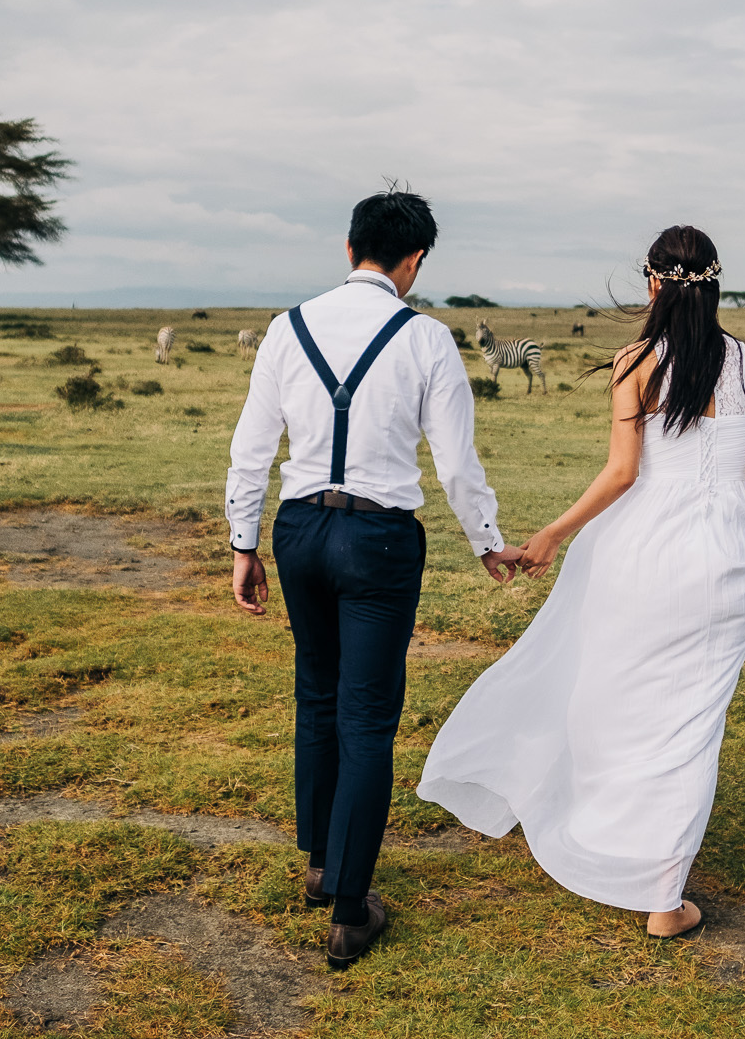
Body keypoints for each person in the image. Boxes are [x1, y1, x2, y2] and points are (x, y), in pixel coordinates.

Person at [417, 224, 745, 939]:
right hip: (724, 562)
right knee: (693, 722)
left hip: (641, 555)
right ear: (716, 284)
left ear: (653, 283)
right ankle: (663, 897)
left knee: (615, 697)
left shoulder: (635, 363)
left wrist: (552, 535)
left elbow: (623, 473)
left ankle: (606, 840)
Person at [225, 188, 525, 969]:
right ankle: (352, 909)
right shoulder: (427, 339)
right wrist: (487, 542)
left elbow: (251, 445)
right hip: (380, 538)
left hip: (298, 529)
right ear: (415, 260)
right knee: (366, 717)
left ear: (348, 246)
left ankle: (323, 862)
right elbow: (457, 465)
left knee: (315, 693)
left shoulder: (287, 328)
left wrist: (242, 541)